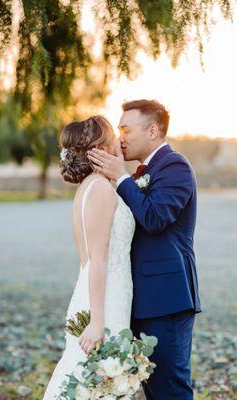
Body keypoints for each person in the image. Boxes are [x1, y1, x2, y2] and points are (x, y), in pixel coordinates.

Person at [87, 99, 201, 400]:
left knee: (170, 389)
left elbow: (154, 218)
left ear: (152, 131)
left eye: (125, 128)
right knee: (151, 390)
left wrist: (122, 177)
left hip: (167, 301)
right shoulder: (138, 174)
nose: (120, 136)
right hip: (137, 299)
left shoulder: (175, 166)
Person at [43, 115, 135, 399]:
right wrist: (97, 322)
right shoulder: (99, 190)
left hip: (106, 293)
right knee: (95, 382)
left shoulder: (93, 186)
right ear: (99, 150)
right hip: (103, 300)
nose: (118, 142)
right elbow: (97, 260)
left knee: (95, 383)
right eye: (112, 139)